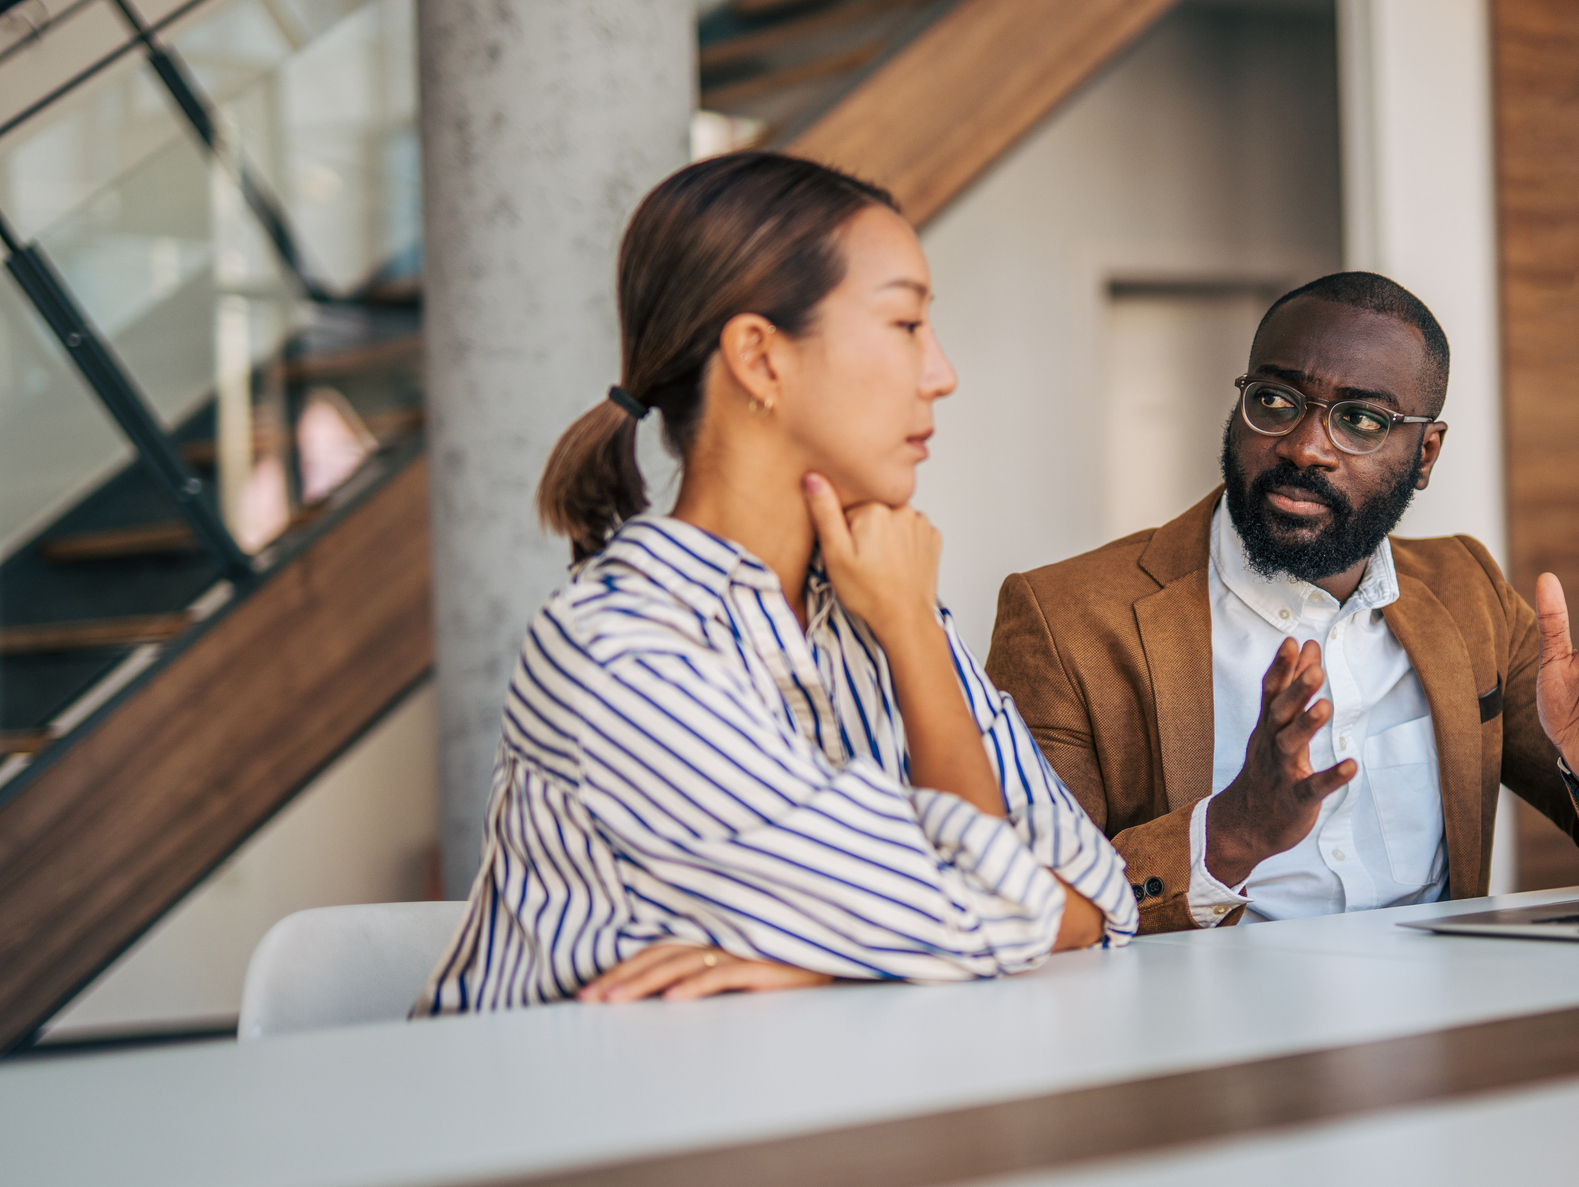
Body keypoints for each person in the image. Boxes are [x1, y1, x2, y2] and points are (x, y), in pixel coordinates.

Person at [418, 153, 1136, 1014]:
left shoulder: (885, 595)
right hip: (569, 1126)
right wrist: (907, 936)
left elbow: (1103, 899)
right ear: (759, 359)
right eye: (906, 324)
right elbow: (1012, 904)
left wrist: (840, 954)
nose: (941, 372)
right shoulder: (620, 648)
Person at [986, 272, 1579, 935]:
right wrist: (1228, 833)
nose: (1304, 447)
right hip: (1197, 1042)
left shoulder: (1468, 592)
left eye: (1360, 419)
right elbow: (1026, 908)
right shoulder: (1064, 618)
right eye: (1274, 401)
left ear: (1424, 455)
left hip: (1433, 1037)